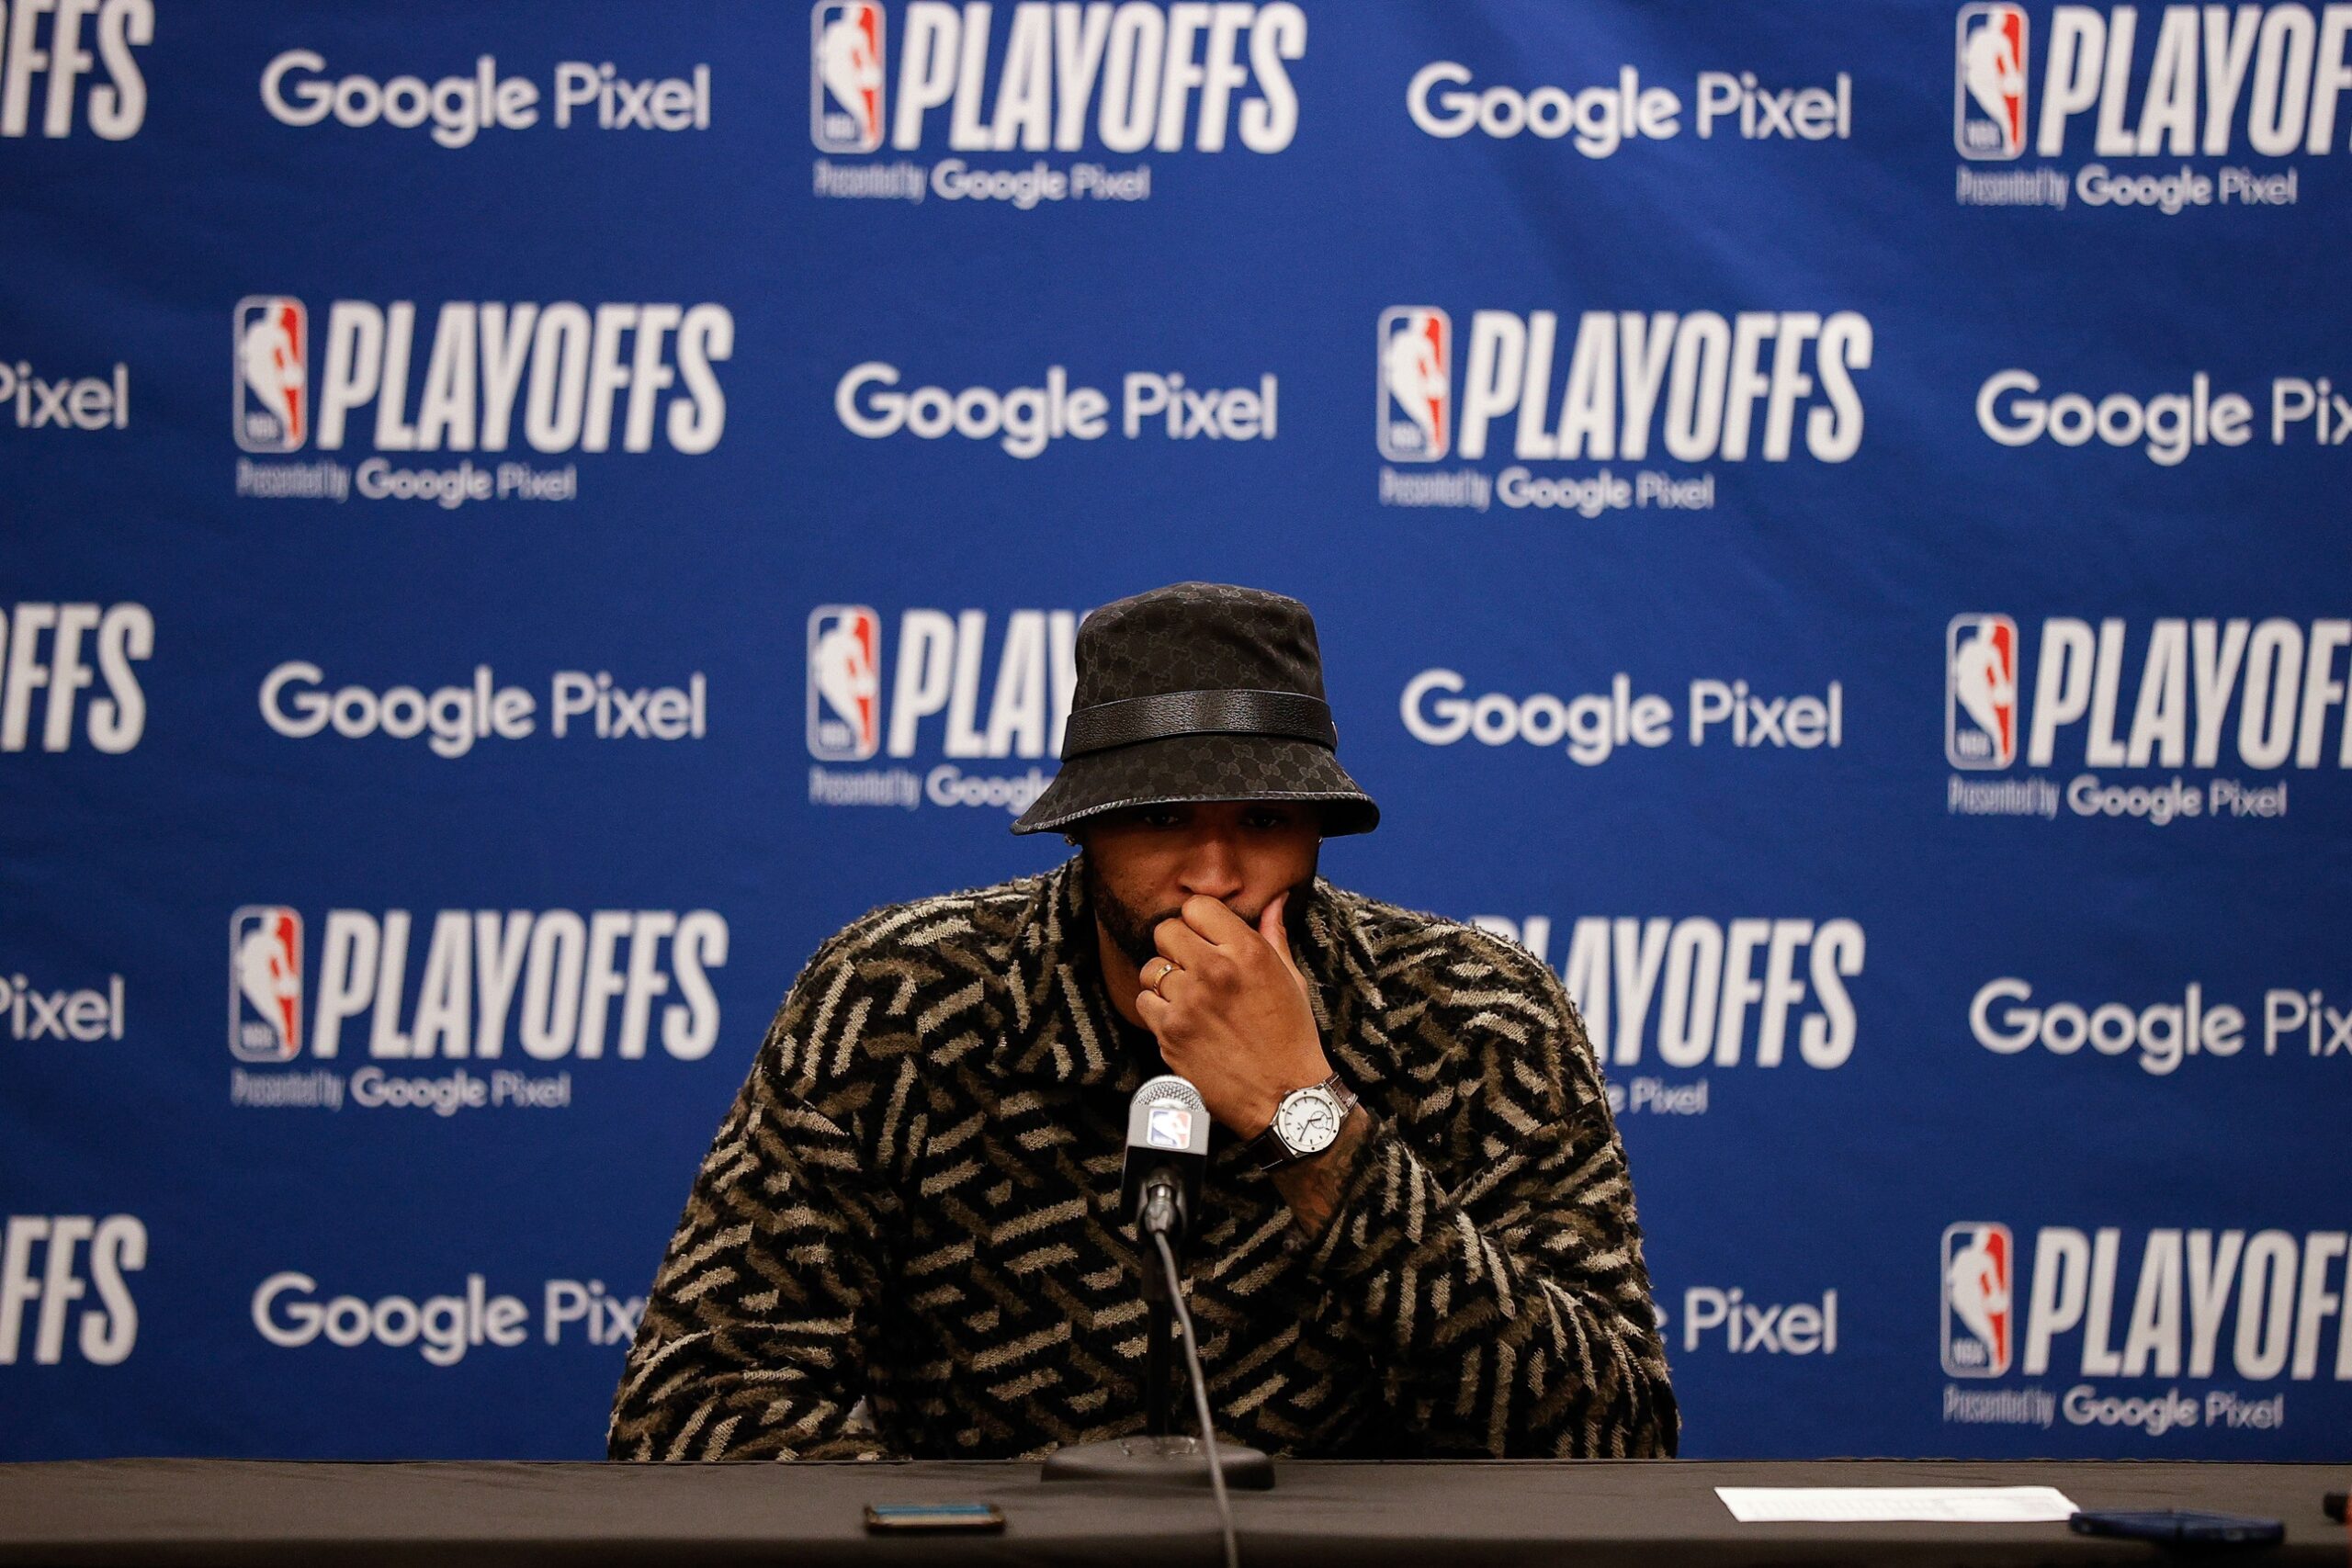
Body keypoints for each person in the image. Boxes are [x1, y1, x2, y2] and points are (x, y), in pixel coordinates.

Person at [608, 582, 1678, 1461]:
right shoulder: (898, 1002)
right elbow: (696, 1406)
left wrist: (1306, 1118)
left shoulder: (1474, 1013)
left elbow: (1611, 1438)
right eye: (1163, 819)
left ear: (1315, 828)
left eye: (1263, 821)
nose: (1212, 872)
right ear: (1086, 829)